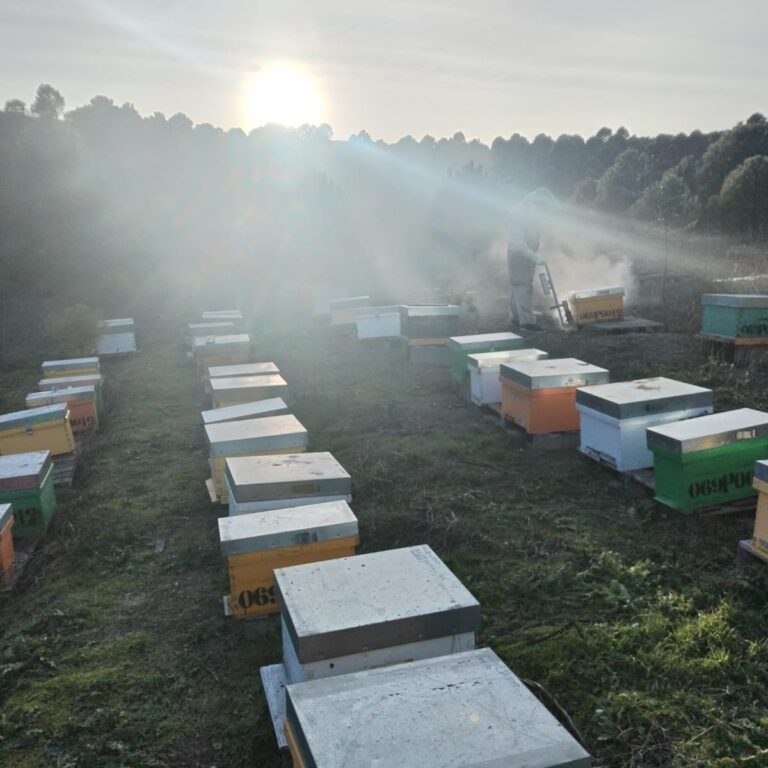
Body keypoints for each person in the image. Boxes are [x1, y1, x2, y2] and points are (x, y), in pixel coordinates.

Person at [507, 187, 559, 331]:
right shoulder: (519, 214)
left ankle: (516, 317)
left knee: (520, 285)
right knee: (522, 286)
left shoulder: (532, 214)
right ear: (536, 204)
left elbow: (535, 235)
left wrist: (537, 253)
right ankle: (527, 323)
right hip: (518, 255)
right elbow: (516, 242)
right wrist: (533, 256)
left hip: (527, 254)